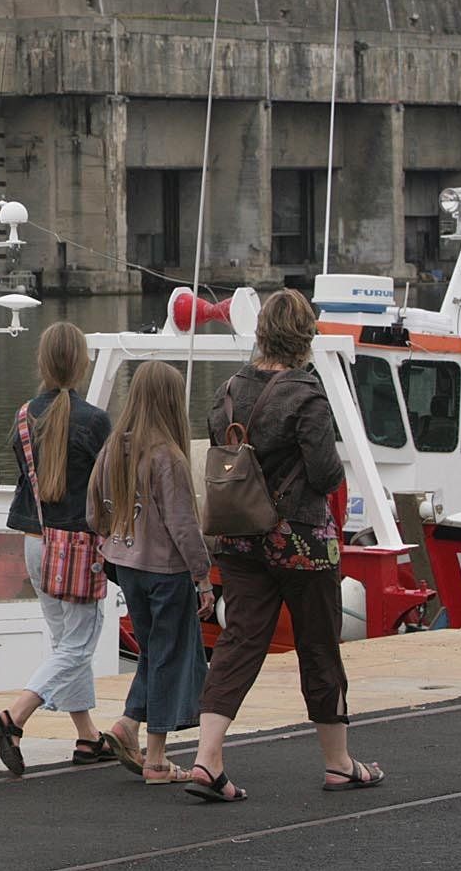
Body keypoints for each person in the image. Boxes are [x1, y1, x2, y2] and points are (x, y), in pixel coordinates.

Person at [187, 289, 384, 802]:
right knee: (318, 645)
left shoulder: (227, 390)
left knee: (239, 642)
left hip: (237, 538)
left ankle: (207, 759)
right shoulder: (306, 393)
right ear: (305, 336)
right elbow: (324, 474)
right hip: (300, 542)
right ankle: (338, 764)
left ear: (261, 333)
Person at [0, 322, 117, 775]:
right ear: (80, 363)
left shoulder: (23, 415)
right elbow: (109, 485)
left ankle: (87, 736)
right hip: (76, 547)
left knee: (64, 642)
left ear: (42, 363)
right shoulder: (96, 421)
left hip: (36, 545)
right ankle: (13, 718)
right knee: (77, 647)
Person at [88, 360, 212, 784]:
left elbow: (92, 512)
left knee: (152, 650)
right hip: (165, 569)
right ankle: (156, 758)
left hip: (125, 564)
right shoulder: (167, 457)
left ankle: (128, 724)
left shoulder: (112, 450)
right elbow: (183, 526)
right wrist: (203, 576)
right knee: (169, 656)